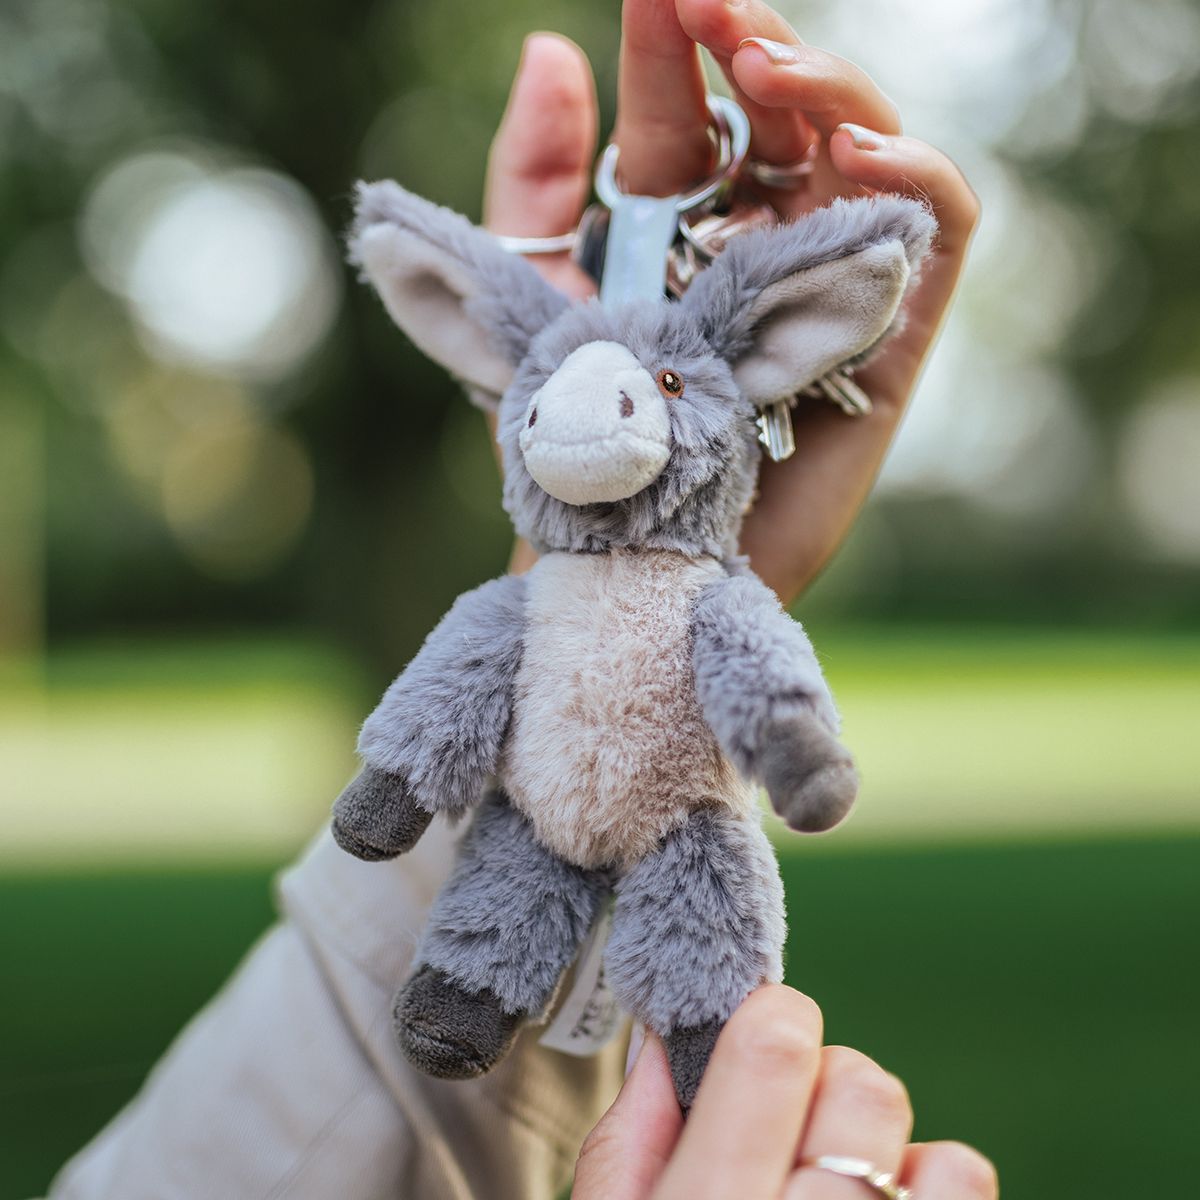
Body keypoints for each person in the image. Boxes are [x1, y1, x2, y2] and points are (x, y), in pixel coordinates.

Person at [48, 1, 993, 1197]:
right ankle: (467, 996)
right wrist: (397, 787)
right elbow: (457, 686)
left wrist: (797, 754)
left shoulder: (708, 594)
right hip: (533, 815)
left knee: (705, 908)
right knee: (505, 890)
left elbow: (758, 664)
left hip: (679, 817)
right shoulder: (529, 608)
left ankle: (699, 1036)